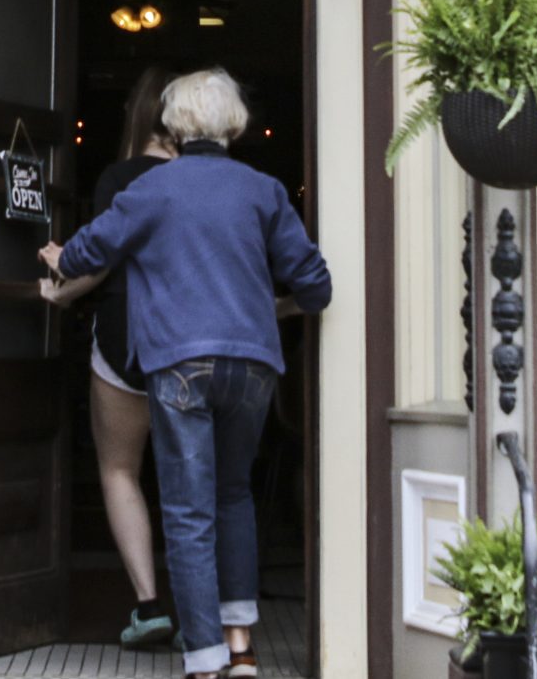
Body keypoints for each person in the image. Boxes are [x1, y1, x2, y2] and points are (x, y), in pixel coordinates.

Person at [42, 69, 333, 679]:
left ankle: (204, 661)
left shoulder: (153, 187)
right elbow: (315, 285)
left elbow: (87, 253)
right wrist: (275, 305)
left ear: (173, 124)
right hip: (253, 365)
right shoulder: (263, 190)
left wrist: (57, 257)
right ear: (235, 125)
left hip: (179, 363)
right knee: (234, 496)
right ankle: (241, 647)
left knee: (188, 509)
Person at [40, 67, 177, 649]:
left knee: (120, 469)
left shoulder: (120, 178)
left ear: (136, 114)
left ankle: (149, 605)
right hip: (192, 343)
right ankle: (213, 615)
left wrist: (60, 289)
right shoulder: (211, 180)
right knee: (201, 479)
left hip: (126, 339)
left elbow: (99, 261)